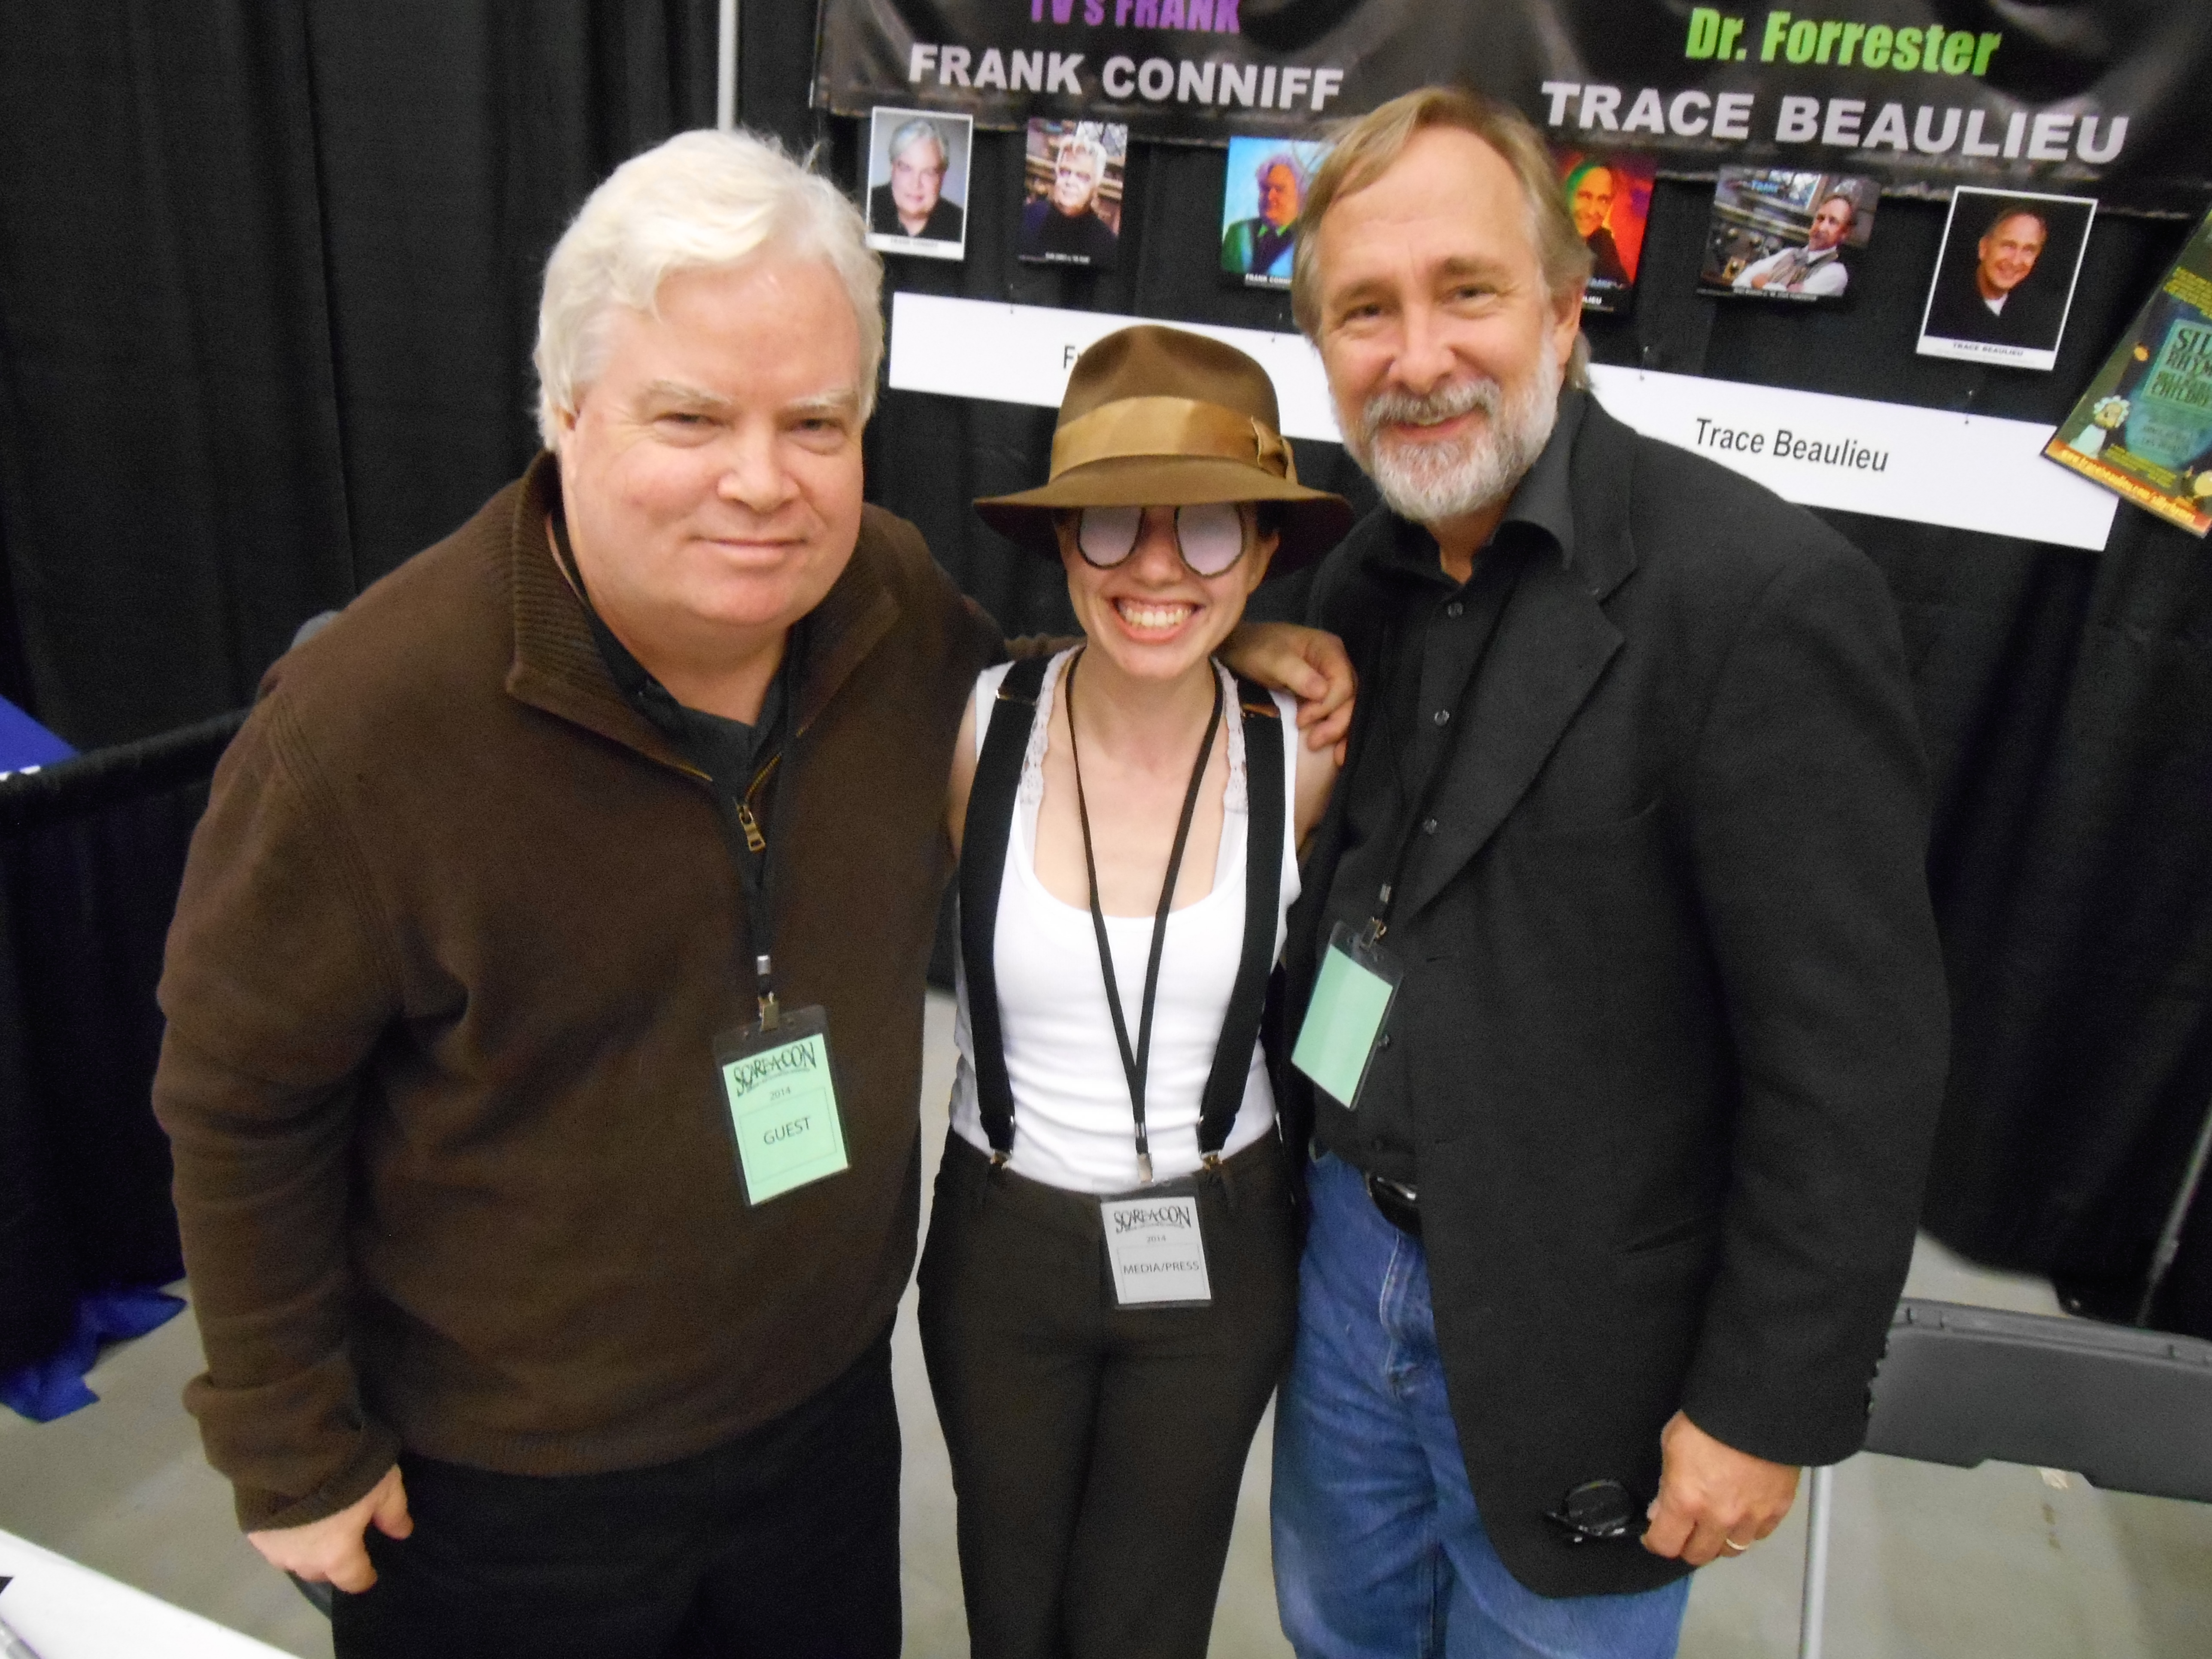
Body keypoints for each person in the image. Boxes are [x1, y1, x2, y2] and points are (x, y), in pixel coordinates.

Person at [151, 128, 1352, 1659]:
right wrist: (288, 1441)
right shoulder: (364, 730)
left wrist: (1217, 644)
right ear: (565, 409)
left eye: (816, 422)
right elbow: (240, 1096)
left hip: (820, 1431)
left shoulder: (886, 606)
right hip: (508, 1486)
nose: (761, 480)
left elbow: (1064, 699)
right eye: (691, 414)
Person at [1269, 88, 1947, 1659]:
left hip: (1589, 1335)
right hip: (1343, 1263)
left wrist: (1762, 1400)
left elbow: (1851, 1061)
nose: (1416, 356)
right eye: (1364, 310)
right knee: (1336, 1637)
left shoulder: (1759, 599)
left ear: (1566, 312)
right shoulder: (1358, 577)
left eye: (1466, 290)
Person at [919, 324, 1351, 1659]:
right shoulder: (974, 729)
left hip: (1216, 1248)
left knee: (1143, 1625)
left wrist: (1256, 645)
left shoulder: (1305, 753)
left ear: (1263, 552)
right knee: (1011, 1611)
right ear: (1064, 541)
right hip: (1002, 1243)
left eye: (1209, 530)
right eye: (1114, 523)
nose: (1157, 567)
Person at [1923, 202, 2058, 347]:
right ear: (1984, 248)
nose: (2015, 261)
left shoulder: (2043, 318)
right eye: (2008, 246)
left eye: (2029, 250)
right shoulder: (1937, 306)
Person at [1021, 128, 1121, 266]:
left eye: (1082, 177)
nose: (1070, 182)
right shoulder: (1027, 217)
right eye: (1065, 172)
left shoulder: (1108, 247)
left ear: (1095, 186)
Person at [1734, 190, 1856, 297]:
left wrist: (1761, 283)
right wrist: (1780, 290)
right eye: (1820, 219)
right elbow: (1740, 282)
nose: (1822, 228)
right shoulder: (1788, 253)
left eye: (1833, 222)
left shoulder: (1836, 273)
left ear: (1844, 233)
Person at [868, 116, 965, 244]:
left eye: (929, 173)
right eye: (907, 169)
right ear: (892, 168)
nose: (916, 184)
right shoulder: (865, 206)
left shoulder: (960, 223)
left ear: (942, 177)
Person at [1222, 152, 1304, 280]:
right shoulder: (1238, 232)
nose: (1270, 197)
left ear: (1300, 196)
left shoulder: (1309, 238)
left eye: (1279, 189)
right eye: (1265, 188)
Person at [1565, 160, 1629, 287]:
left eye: (1603, 200)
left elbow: (1621, 290)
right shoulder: (1540, 237)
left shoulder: (1603, 242)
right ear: (1567, 194)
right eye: (1584, 196)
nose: (1592, 211)